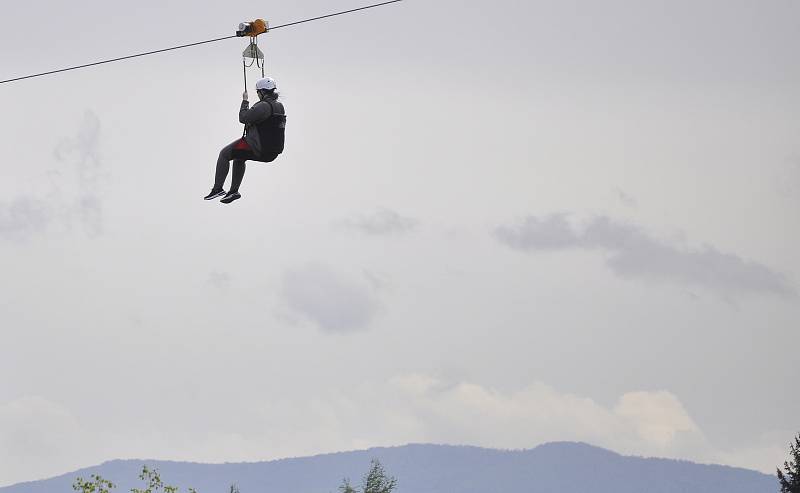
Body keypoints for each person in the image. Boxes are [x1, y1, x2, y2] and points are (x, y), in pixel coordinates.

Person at [204, 77, 286, 204]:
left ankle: (217, 189)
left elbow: (244, 118)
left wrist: (245, 101)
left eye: (258, 92)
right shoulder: (279, 106)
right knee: (239, 156)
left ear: (262, 92)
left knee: (224, 154)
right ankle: (233, 192)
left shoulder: (264, 106)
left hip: (258, 147)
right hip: (271, 153)